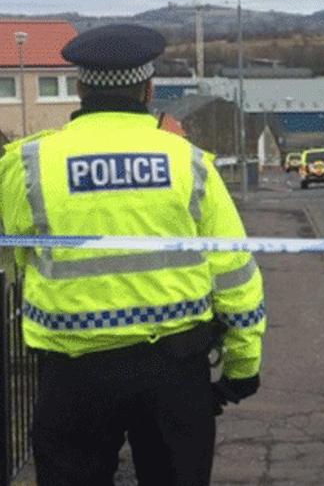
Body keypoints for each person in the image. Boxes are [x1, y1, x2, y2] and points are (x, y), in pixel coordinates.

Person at [0, 24, 266, 485]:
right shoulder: (190, 164)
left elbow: (10, 260)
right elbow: (234, 273)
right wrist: (242, 367)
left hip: (72, 376)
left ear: (81, 88)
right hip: (173, 372)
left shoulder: (27, 165)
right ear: (148, 88)